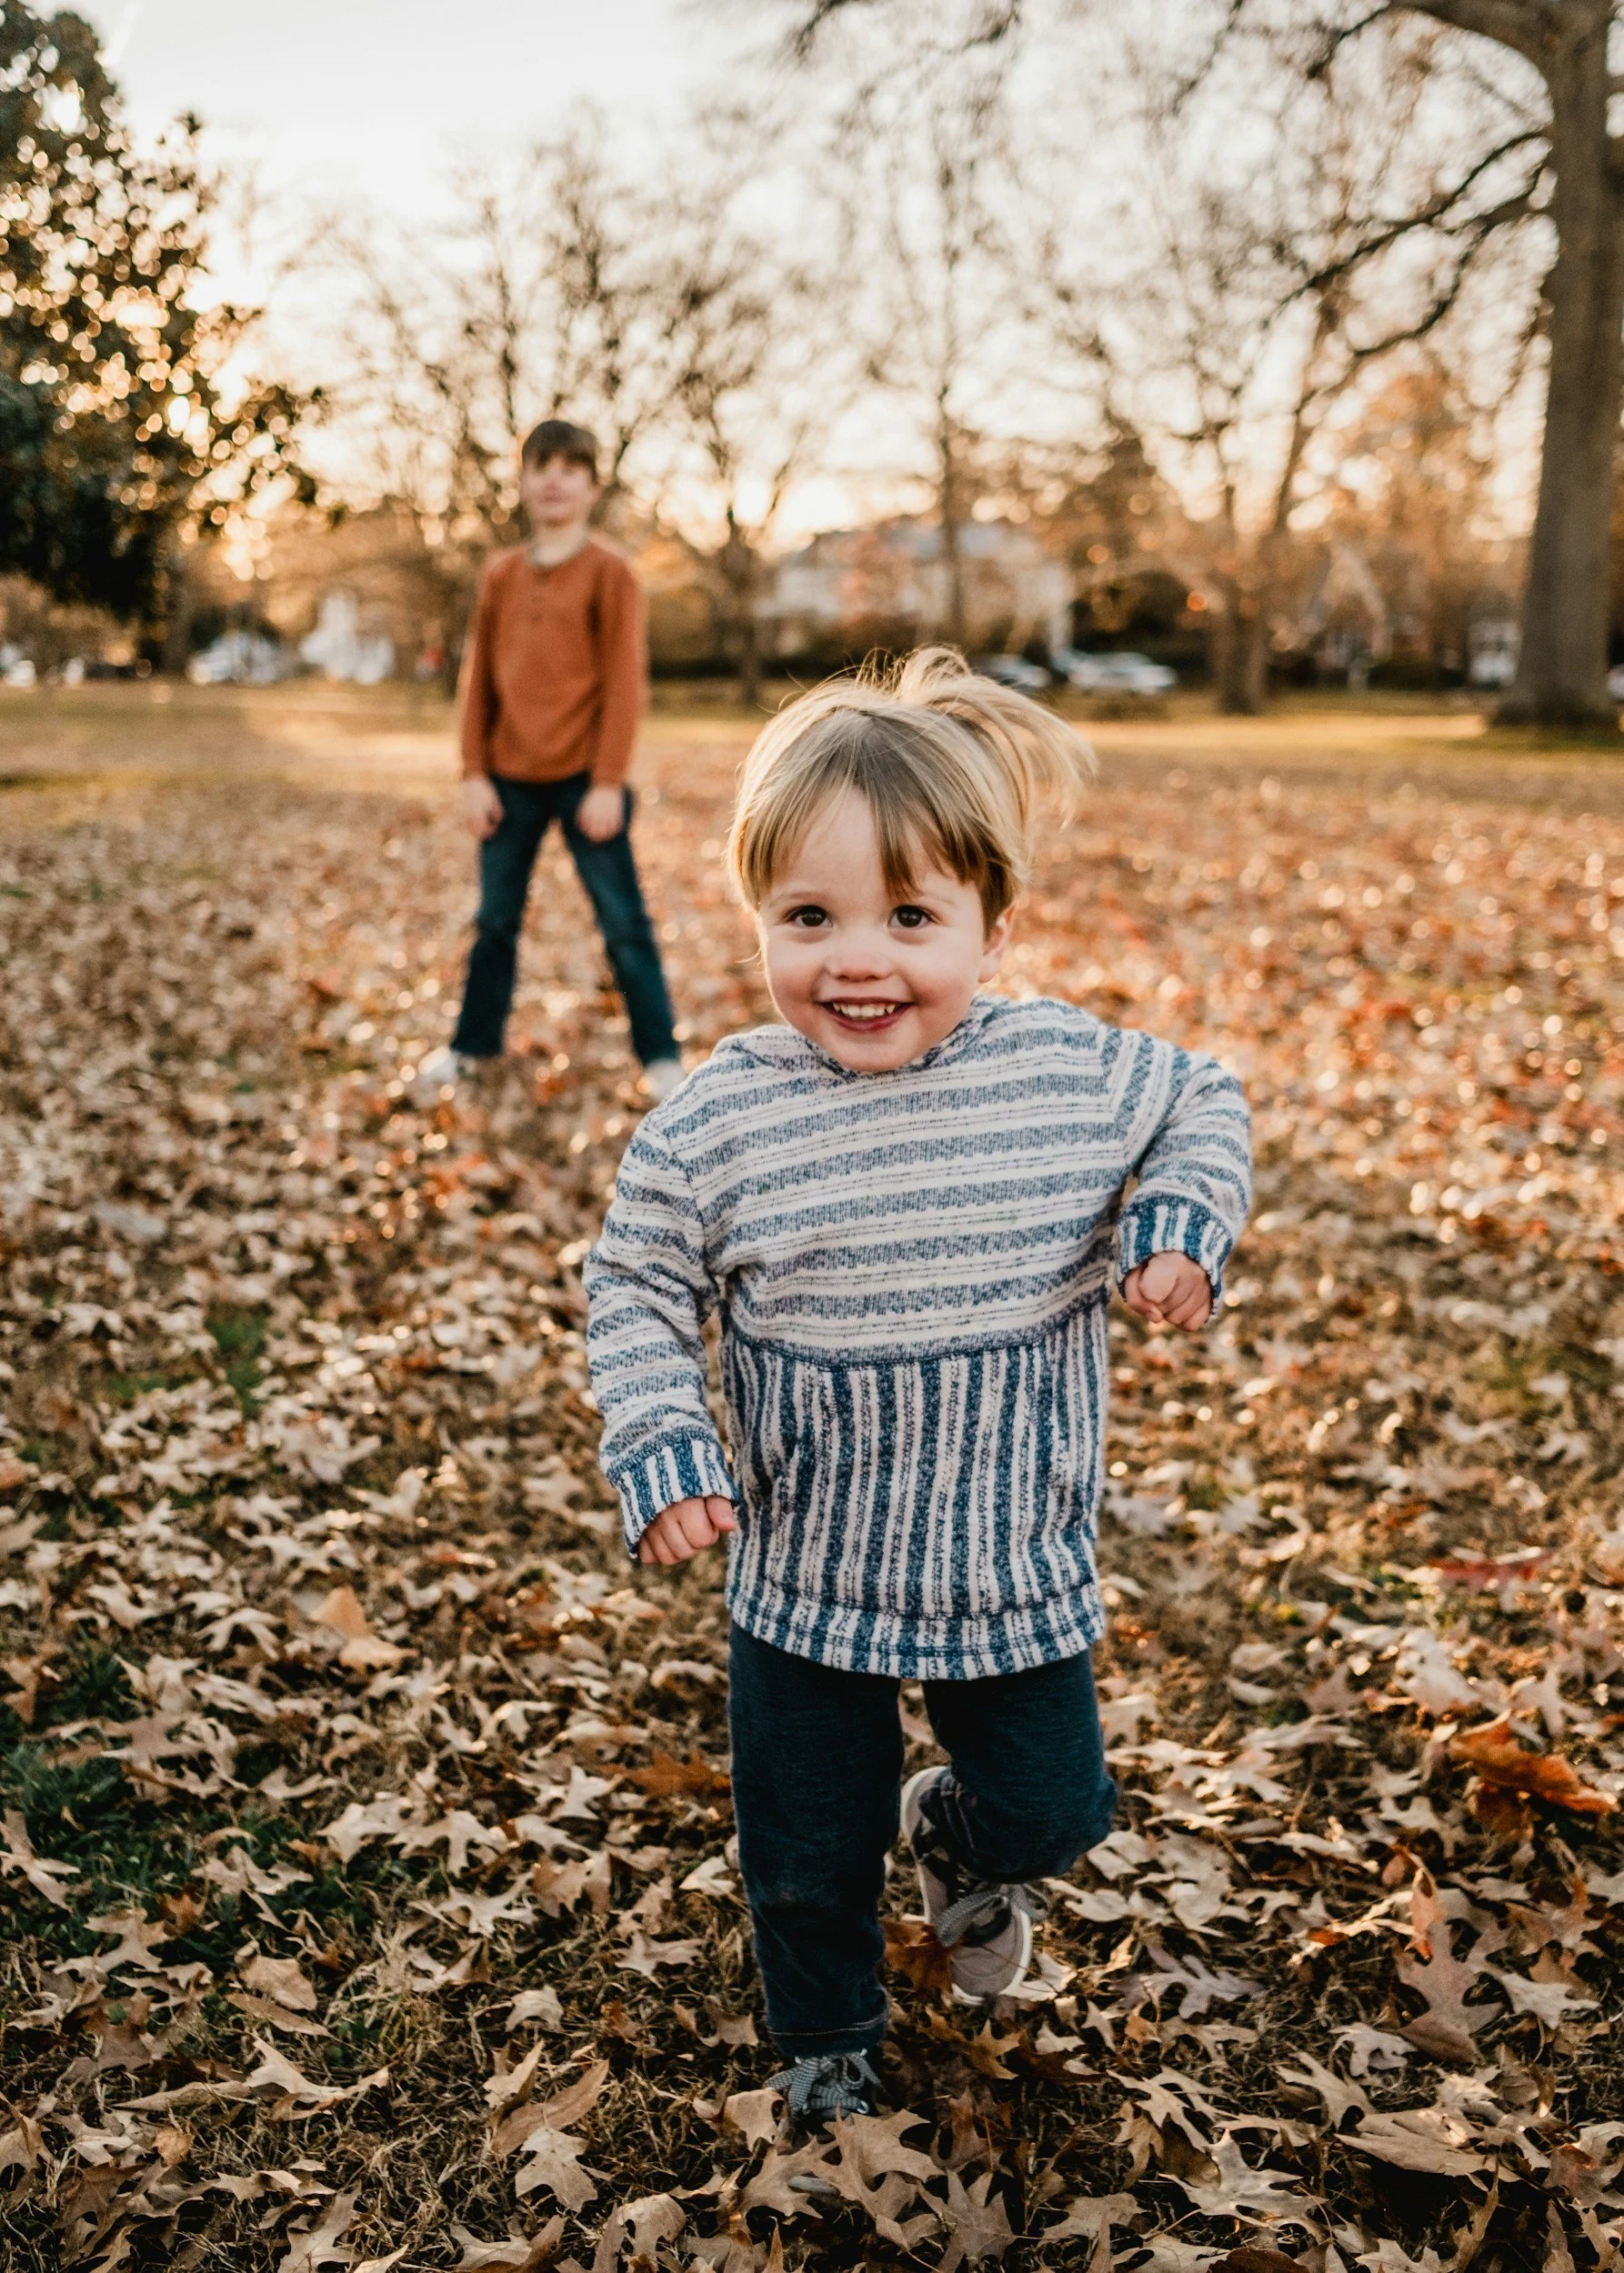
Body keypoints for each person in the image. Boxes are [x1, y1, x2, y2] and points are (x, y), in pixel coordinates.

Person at [584, 648, 1251, 2132]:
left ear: (991, 926)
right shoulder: (723, 1123)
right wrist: (661, 1434)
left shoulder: (1062, 1074)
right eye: (809, 918)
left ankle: (955, 1834)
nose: (858, 960)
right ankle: (824, 2035)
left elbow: (1205, 1094)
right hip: (808, 1572)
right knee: (804, 1850)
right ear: (758, 915)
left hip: (1007, 1557)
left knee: (1060, 1809)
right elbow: (632, 1282)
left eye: (909, 916)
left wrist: (1175, 1225)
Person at [418, 418, 683, 1101]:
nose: (555, 479)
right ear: (524, 480)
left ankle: (660, 1058)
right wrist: (473, 773)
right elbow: (477, 682)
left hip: (584, 781)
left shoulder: (611, 573)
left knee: (623, 923)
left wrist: (607, 782)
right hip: (508, 779)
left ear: (593, 485)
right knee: (495, 922)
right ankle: (473, 1047)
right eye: (542, 465)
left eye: (571, 467)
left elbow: (625, 684)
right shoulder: (501, 575)